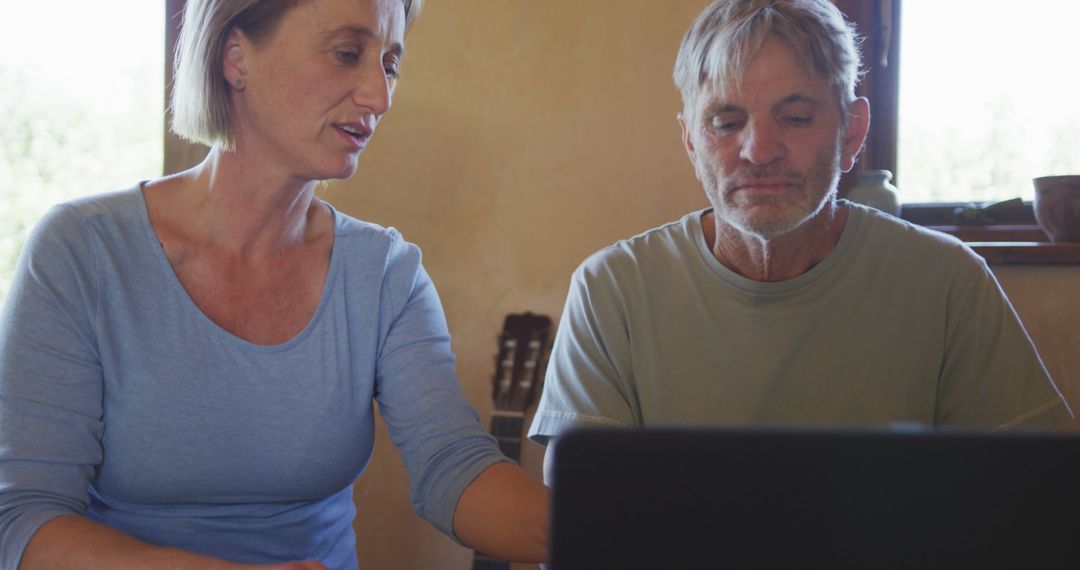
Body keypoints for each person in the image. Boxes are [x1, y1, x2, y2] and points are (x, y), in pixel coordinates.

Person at [0, 0, 548, 568]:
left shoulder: (385, 273)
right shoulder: (81, 252)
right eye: (346, 53)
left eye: (389, 64)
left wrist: (611, 530)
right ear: (236, 57)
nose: (379, 97)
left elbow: (454, 468)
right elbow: (26, 520)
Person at [528, 0, 1072, 478]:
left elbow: (1030, 505)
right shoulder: (612, 290)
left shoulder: (950, 283)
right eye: (725, 122)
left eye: (796, 116)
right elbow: (586, 526)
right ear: (691, 141)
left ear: (852, 132)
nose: (759, 150)